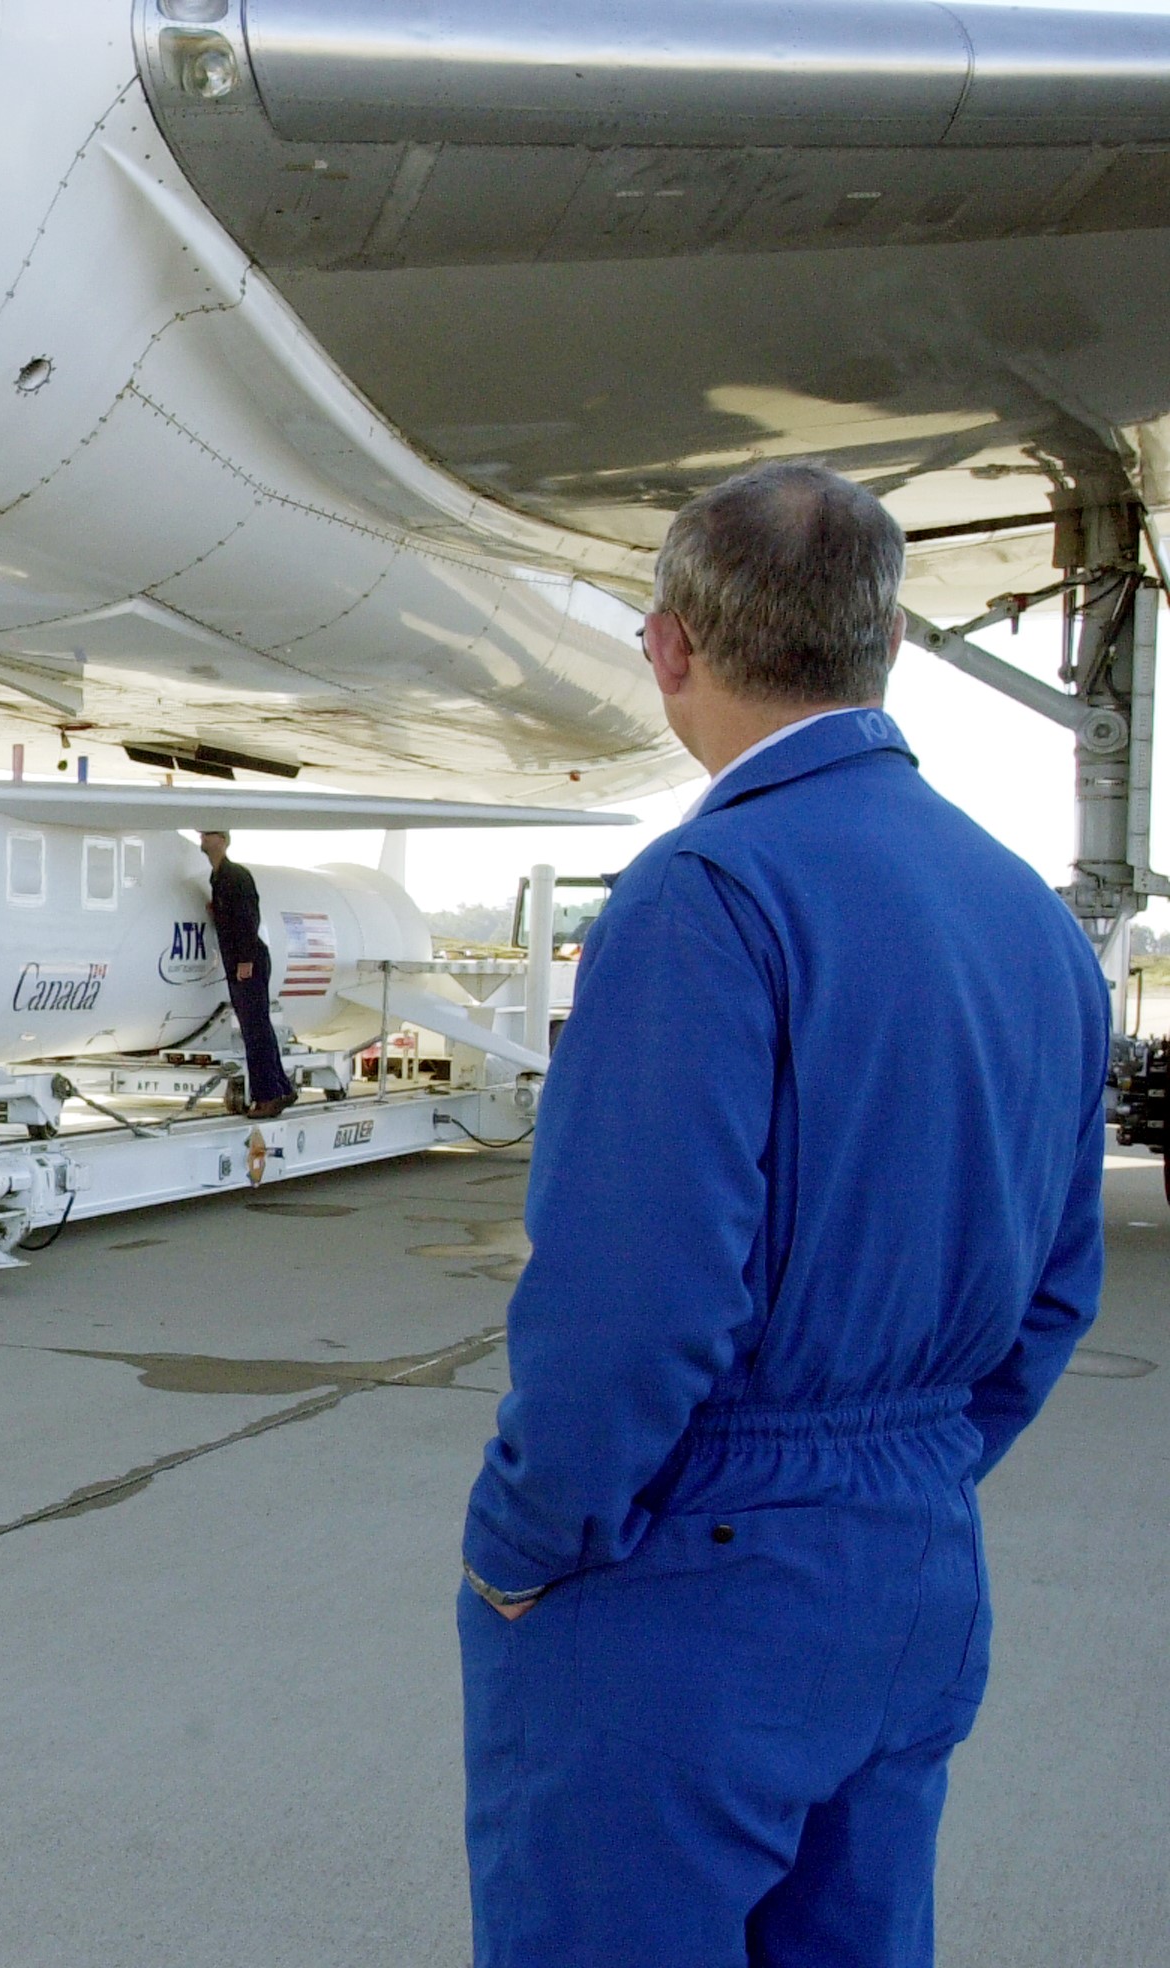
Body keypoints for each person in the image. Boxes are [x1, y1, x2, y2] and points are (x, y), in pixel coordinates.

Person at [457, 460, 1107, 1966]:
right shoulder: (1030, 919)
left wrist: (527, 1535)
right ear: (880, 649)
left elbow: (632, 1312)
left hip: (698, 1579)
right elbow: (1057, 1293)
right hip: (913, 1560)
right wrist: (907, 1470)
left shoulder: (707, 895)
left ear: (671, 646)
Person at [199, 830, 294, 1118]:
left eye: (210, 835)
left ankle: (268, 1097)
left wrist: (245, 959)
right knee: (258, 1027)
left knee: (254, 1030)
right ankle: (281, 1088)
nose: (203, 838)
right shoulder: (217, 877)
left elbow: (248, 918)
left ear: (224, 840)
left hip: (247, 961)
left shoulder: (235, 875)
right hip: (240, 959)